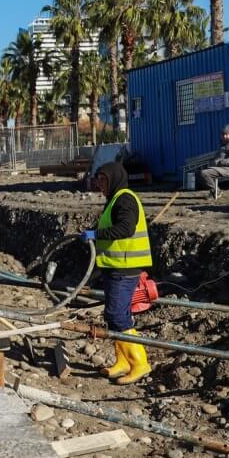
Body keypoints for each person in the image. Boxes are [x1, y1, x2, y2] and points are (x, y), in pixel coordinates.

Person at [82, 161, 152, 385]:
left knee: (118, 316)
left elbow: (125, 229)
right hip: (115, 267)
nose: (100, 184)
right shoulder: (114, 199)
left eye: (103, 179)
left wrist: (96, 234)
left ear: (113, 178)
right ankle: (123, 361)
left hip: (125, 268)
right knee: (113, 316)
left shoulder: (125, 199)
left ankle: (139, 363)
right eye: (98, 179)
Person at [198, 124, 229, 199]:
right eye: (223, 134)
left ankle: (216, 191)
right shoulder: (226, 141)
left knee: (204, 173)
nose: (224, 136)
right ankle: (214, 191)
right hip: (222, 167)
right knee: (200, 171)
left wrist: (221, 162)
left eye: (226, 135)